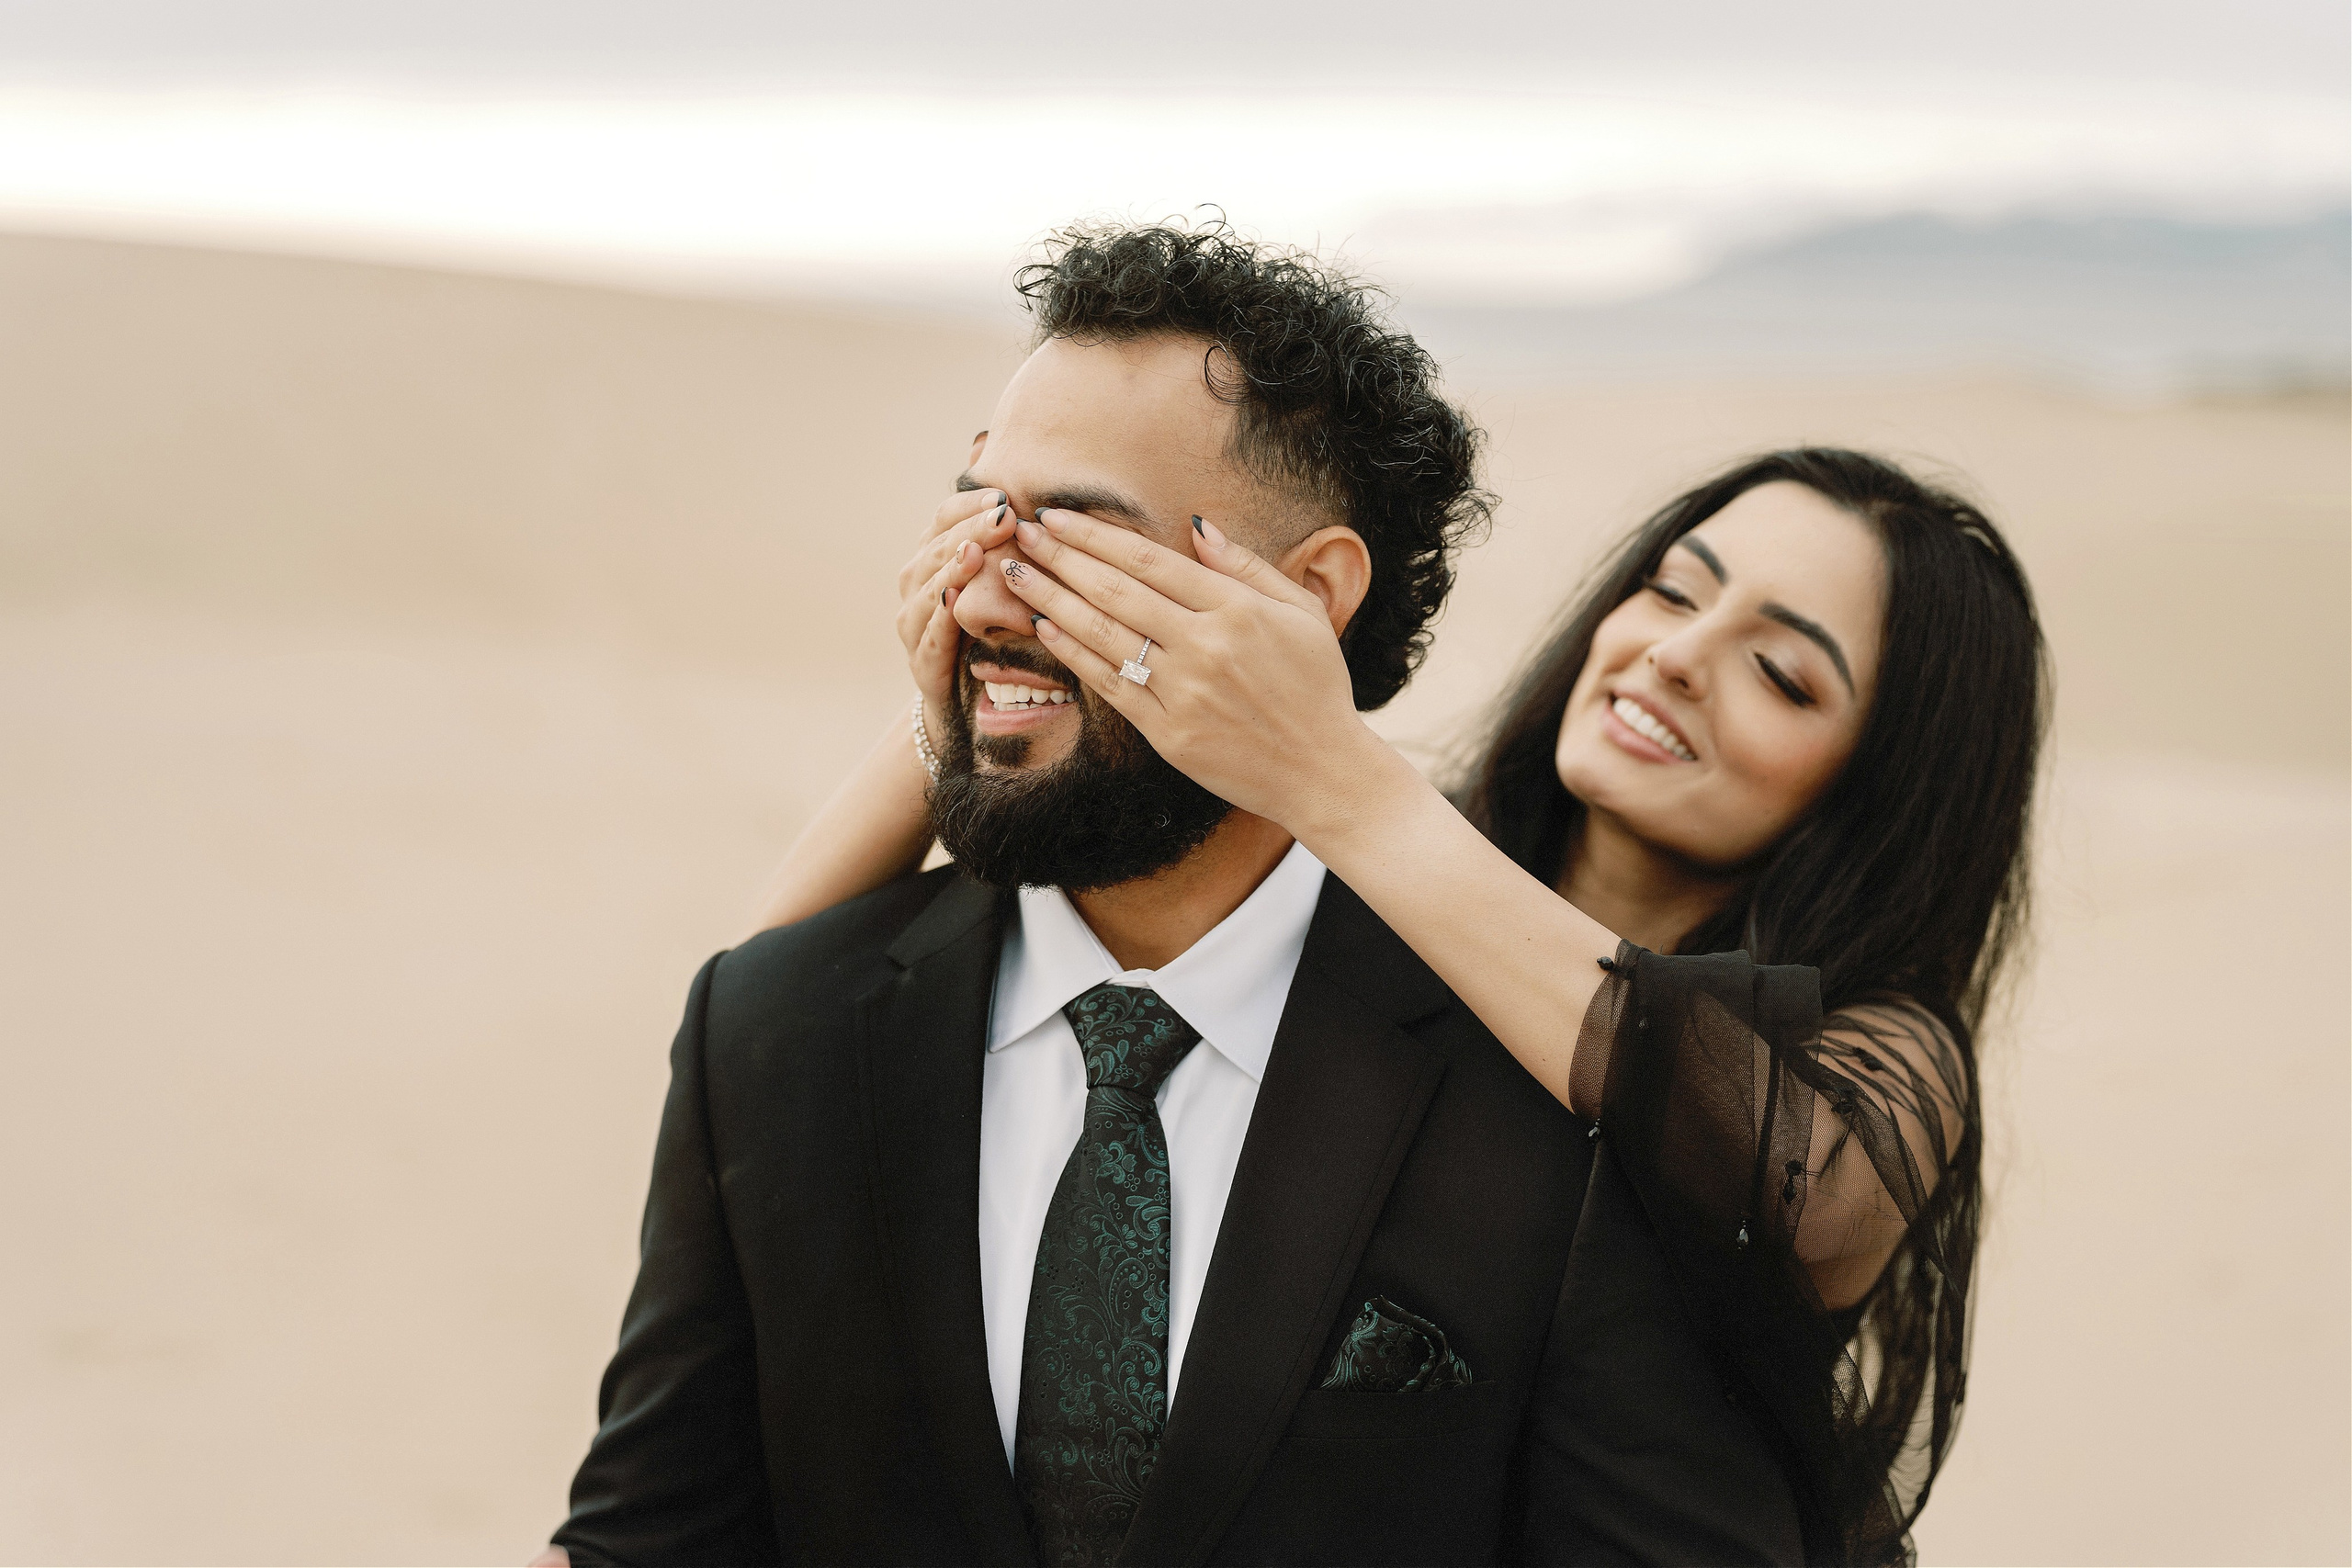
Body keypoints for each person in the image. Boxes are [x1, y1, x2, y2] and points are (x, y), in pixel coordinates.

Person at [540, 220, 1818, 1568]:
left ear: (1308, 595)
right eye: (978, 512)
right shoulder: (773, 1025)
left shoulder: (1562, 1095)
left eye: (1079, 535)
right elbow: (650, 1537)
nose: (984, 589)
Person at [733, 438, 2046, 1556]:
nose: (1677, 658)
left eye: (1785, 673)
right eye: (1669, 592)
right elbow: (759, 1029)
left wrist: (1334, 774)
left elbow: (1799, 1205)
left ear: (1878, 785)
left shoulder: (1874, 1056)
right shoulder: (1388, 860)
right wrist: (959, 688)